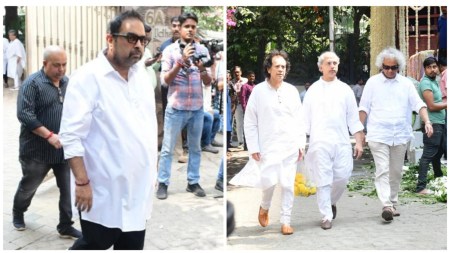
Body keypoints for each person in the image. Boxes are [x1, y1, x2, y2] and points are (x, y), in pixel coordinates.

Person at [59, 10, 157, 250]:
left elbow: (148, 126)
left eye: (143, 40)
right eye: (131, 38)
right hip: (103, 189)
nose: (139, 46)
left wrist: (152, 171)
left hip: (138, 187)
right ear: (110, 38)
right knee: (95, 243)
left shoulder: (141, 75)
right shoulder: (87, 77)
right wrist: (82, 183)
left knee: (132, 245)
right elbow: (71, 136)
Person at [230, 50, 306, 235]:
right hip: (268, 146)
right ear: (268, 69)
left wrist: (300, 144)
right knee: (269, 182)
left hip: (289, 145)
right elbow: (250, 122)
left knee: (288, 184)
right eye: (277, 66)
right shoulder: (258, 92)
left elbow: (300, 120)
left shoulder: (291, 91)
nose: (281, 70)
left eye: (283, 66)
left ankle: (286, 220)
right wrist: (254, 147)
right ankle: (264, 207)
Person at [12, 45, 81, 239]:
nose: (61, 70)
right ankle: (18, 211)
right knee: (29, 186)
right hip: (36, 150)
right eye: (57, 65)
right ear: (45, 64)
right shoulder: (32, 84)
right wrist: (49, 136)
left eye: (64, 65)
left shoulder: (67, 82)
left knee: (67, 189)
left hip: (62, 149)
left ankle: (65, 225)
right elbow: (25, 114)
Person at [359, 47, 433, 223]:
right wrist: (359, 131)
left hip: (400, 134)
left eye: (393, 68)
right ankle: (386, 204)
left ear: (399, 67)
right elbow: (363, 108)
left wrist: (427, 121)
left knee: (396, 171)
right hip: (378, 134)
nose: (390, 71)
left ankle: (392, 202)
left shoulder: (406, 84)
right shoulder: (372, 83)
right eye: (386, 67)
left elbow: (418, 104)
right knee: (382, 169)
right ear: (381, 67)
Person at [303, 51, 364, 230]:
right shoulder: (313, 90)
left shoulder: (345, 89)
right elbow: (304, 120)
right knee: (323, 180)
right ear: (320, 67)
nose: (332, 66)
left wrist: (359, 142)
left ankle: (331, 202)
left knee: (342, 176)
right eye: (328, 63)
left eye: (335, 63)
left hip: (341, 141)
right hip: (319, 142)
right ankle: (326, 216)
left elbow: (354, 118)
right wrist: (300, 143)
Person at [156, 12, 212, 200]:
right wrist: (181, 62)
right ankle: (162, 183)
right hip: (176, 108)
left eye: (193, 27)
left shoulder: (202, 50)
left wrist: (202, 68)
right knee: (167, 149)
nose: (190, 30)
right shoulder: (169, 51)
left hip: (196, 108)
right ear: (179, 28)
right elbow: (165, 80)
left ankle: (193, 182)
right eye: (186, 26)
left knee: (195, 149)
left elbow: (208, 82)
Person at [415, 57, 447, 194]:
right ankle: (421, 187)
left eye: (434, 66)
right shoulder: (426, 83)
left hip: (440, 123)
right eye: (429, 67)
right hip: (432, 123)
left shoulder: (434, 81)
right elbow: (432, 106)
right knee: (428, 155)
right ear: (425, 69)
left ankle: (438, 177)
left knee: (438, 153)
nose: (433, 69)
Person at [239, 70, 257, 151]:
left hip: (255, 110)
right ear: (248, 77)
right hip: (248, 110)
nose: (252, 78)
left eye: (253, 76)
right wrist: (245, 109)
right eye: (250, 76)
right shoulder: (245, 86)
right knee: (248, 127)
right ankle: (246, 145)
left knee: (255, 127)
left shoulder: (256, 87)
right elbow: (242, 98)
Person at [139, 24, 160, 89]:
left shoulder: (147, 51)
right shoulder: (134, 51)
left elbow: (150, 68)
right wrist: (145, 64)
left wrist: (157, 61)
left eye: (149, 39)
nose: (146, 41)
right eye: (145, 39)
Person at [231, 66, 247, 147]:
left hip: (246, 105)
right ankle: (241, 142)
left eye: (238, 72)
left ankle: (247, 141)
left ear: (241, 72)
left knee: (248, 123)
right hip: (237, 105)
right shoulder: (231, 82)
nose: (236, 73)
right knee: (239, 124)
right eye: (235, 72)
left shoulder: (245, 81)